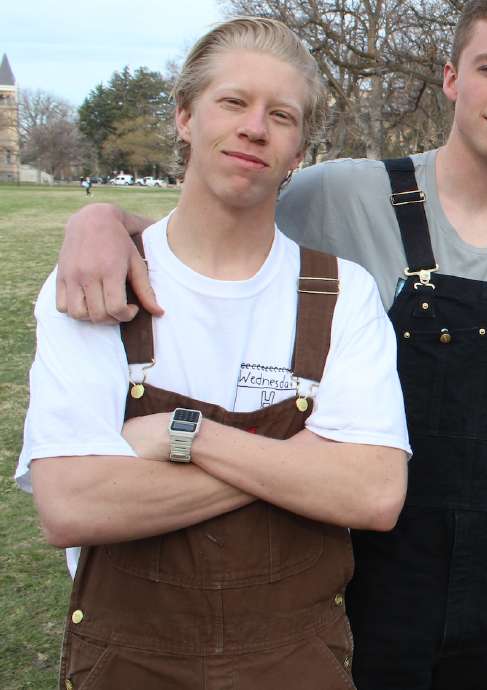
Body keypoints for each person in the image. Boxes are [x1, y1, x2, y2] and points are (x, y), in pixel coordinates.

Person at [53, 1, 487, 687]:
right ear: (451, 77)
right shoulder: (339, 196)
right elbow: (213, 233)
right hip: (363, 582)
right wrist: (102, 219)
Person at [17, 18, 412, 689]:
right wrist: (297, 467)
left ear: (298, 151)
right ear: (183, 117)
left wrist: (183, 436)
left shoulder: (343, 293)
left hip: (297, 664)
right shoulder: (97, 285)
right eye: (233, 102)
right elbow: (71, 503)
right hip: (129, 664)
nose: (255, 127)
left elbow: (374, 494)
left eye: (281, 115)